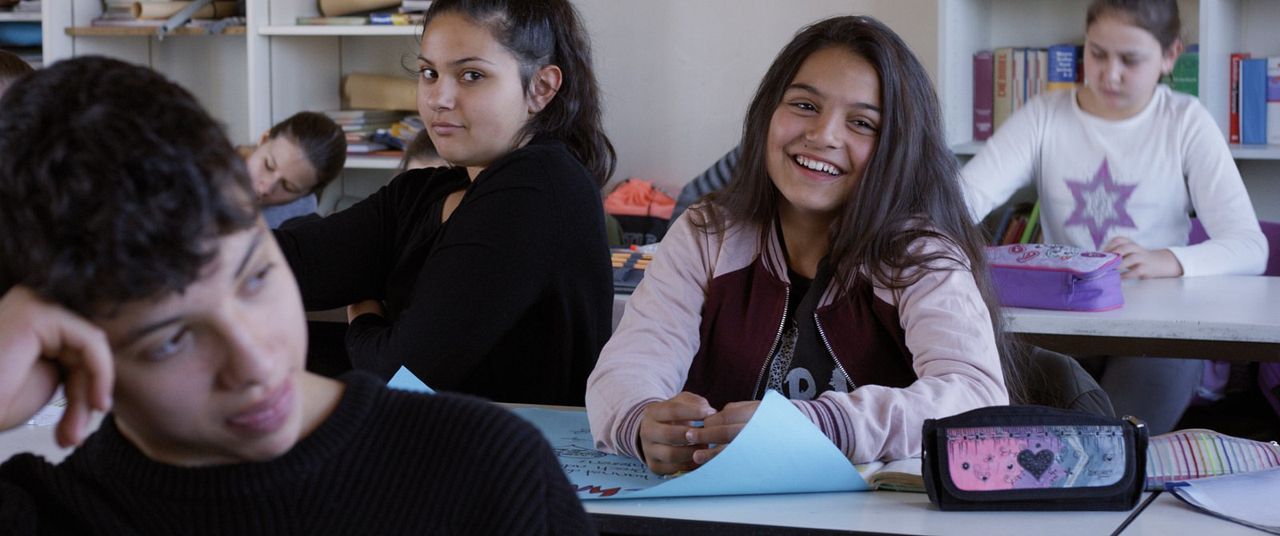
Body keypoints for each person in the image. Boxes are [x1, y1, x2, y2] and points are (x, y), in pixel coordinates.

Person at [0, 56, 591, 534]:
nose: (256, 362)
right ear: (64, 348)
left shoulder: (485, 470)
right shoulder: (47, 513)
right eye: (171, 340)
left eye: (255, 278)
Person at [586, 16, 1018, 474]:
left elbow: (976, 398)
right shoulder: (705, 234)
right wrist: (641, 421)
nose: (824, 135)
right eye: (805, 105)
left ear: (898, 147)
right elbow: (629, 365)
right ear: (768, 113)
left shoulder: (921, 258)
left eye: (862, 123)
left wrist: (818, 426)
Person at [274, 0, 615, 406]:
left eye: (471, 75)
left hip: (512, 459)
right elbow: (299, 261)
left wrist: (363, 315)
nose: (440, 97)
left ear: (541, 88)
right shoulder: (425, 192)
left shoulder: (536, 186)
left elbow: (401, 377)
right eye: (429, 73)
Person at [959, 0, 1267, 434]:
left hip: (1158, 332)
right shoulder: (1045, 115)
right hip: (1063, 323)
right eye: (1097, 54)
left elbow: (1251, 247)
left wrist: (1170, 260)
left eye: (1130, 60)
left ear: (1170, 55)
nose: (1110, 74)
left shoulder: (1185, 121)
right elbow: (963, 198)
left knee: (1110, 444)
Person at [242, 111, 347, 229]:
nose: (264, 188)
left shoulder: (302, 210)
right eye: (268, 165)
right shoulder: (219, 169)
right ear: (264, 139)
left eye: (288, 187)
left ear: (306, 194)